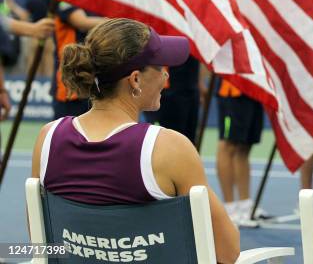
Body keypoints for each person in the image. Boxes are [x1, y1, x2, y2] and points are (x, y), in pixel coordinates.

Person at [30, 18, 240, 263]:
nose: (165, 75)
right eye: (161, 67)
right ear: (135, 80)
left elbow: (43, 243)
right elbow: (228, 252)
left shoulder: (48, 138)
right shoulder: (169, 148)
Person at [216, 78, 266, 224]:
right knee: (228, 145)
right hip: (232, 87)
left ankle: (245, 205)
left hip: (253, 87)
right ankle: (229, 208)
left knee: (244, 147)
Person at [52, 2, 106, 119]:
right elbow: (82, 22)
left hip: (96, 80)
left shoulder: (98, 2)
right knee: (67, 133)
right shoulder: (65, 0)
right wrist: (120, 23)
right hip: (71, 83)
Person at [144, 55, 203, 143]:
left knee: (189, 141)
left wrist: (199, 85)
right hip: (170, 90)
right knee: (171, 140)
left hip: (191, 87)